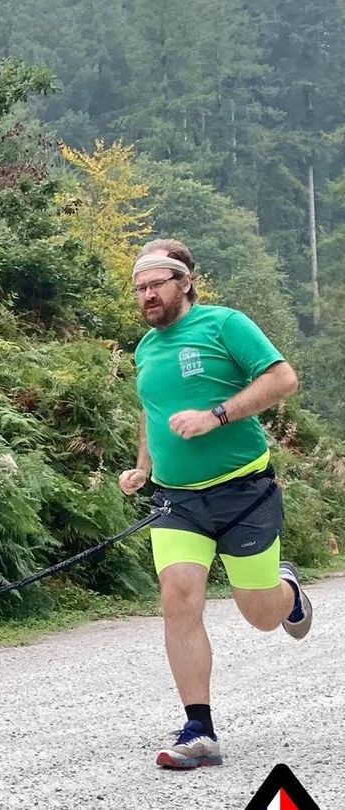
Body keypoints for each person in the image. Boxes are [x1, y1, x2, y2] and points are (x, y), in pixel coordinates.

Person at [118, 239, 312, 770]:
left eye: (156, 283)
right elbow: (152, 411)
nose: (147, 295)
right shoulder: (146, 349)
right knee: (178, 595)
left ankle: (287, 592)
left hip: (244, 492)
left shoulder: (224, 324)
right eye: (139, 287)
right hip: (178, 501)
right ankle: (199, 729)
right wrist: (145, 467)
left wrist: (217, 415)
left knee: (261, 615)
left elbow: (283, 378)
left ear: (184, 282)